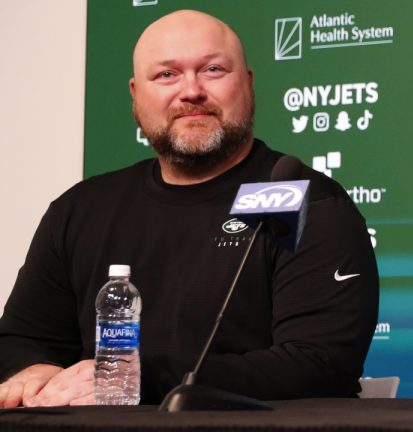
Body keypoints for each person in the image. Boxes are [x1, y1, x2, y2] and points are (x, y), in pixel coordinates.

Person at [0, 10, 379, 408]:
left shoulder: (305, 199)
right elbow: (22, 339)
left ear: (247, 85)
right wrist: (33, 371)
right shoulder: (79, 208)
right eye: (166, 75)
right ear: (135, 96)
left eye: (213, 69)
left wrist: (140, 379)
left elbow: (320, 362)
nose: (191, 91)